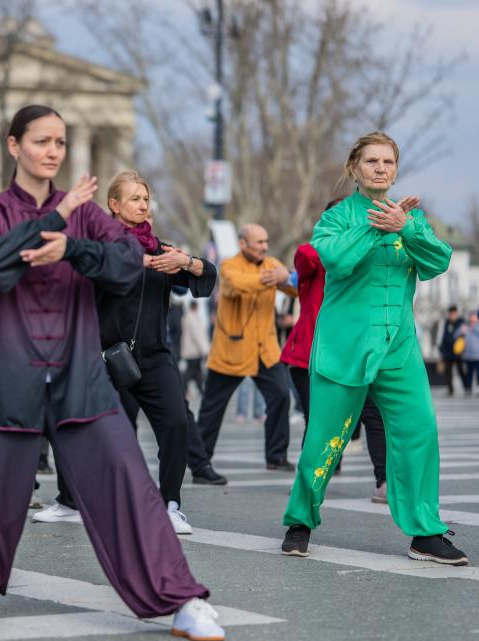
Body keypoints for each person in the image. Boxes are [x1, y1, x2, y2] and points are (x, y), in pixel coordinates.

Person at [0, 105, 224, 641]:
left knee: (129, 486)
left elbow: (124, 264)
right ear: (13, 146)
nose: (52, 151)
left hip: (80, 378)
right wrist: (54, 220)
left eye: (60, 142)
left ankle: (180, 599)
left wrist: (73, 245)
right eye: (41, 141)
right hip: (9, 378)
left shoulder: (89, 213)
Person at [281, 131, 467, 565]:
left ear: (396, 169)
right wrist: (373, 226)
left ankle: (425, 532)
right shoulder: (338, 217)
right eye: (372, 162)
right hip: (343, 347)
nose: (381, 169)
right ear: (355, 169)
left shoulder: (410, 218)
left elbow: (437, 261)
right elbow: (337, 261)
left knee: (420, 431)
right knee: (324, 439)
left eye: (388, 162)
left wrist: (406, 228)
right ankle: (300, 521)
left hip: (398, 348)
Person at [35, 170, 224, 532]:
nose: (142, 204)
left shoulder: (160, 248)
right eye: (134, 198)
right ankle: (69, 501)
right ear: (114, 205)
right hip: (103, 356)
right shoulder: (99, 244)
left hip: (153, 355)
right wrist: (143, 261)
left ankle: (170, 505)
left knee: (176, 423)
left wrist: (185, 262)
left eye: (145, 198)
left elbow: (207, 275)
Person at [281, 227, 390, 506]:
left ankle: (384, 481)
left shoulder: (368, 255)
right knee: (319, 419)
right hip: (312, 352)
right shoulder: (319, 255)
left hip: (357, 352)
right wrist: (335, 240)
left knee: (373, 415)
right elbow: (303, 257)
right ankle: (308, 485)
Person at [196, 224, 297, 471]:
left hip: (265, 349)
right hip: (233, 349)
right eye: (259, 242)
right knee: (212, 408)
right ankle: (199, 462)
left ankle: (276, 456)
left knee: (281, 396)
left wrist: (286, 276)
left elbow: (294, 288)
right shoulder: (230, 265)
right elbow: (238, 284)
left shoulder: (271, 263)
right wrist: (276, 276)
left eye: (266, 241)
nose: (264, 246)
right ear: (243, 244)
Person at [180, 301, 209, 399]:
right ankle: (186, 390)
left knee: (196, 372)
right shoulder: (192, 318)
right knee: (192, 372)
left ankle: (200, 390)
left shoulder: (188, 317)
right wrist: (205, 350)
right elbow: (197, 335)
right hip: (193, 352)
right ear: (195, 307)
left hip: (191, 351)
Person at [439, 305, 468, 396]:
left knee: (461, 370)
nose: (452, 316)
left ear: (456, 313)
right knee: (448, 371)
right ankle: (450, 389)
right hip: (447, 351)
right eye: (450, 314)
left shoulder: (461, 322)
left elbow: (464, 336)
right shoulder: (447, 323)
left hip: (458, 351)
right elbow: (443, 336)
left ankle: (466, 386)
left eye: (453, 314)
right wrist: (442, 349)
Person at [463, 310, 479, 395]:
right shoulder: (465, 326)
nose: (472, 318)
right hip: (468, 356)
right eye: (471, 316)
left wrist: (474, 328)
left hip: (477, 356)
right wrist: (462, 331)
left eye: (474, 316)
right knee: (468, 374)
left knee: (478, 374)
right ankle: (468, 388)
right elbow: (457, 335)